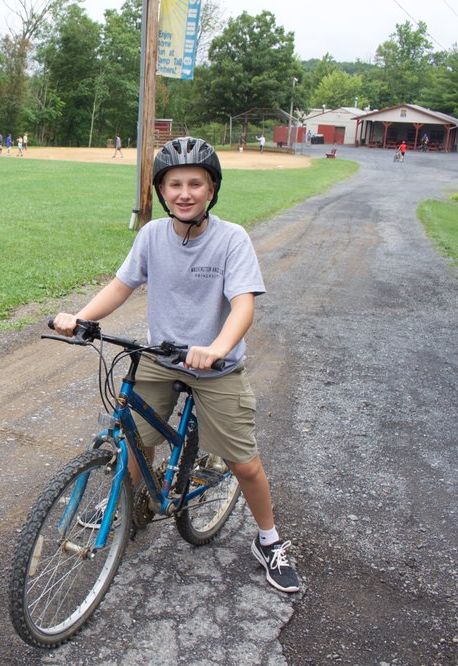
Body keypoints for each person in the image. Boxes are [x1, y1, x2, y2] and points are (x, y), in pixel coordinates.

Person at [52, 137, 301, 594]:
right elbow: (121, 285)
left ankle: (269, 540)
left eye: (195, 184)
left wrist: (219, 346)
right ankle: (132, 507)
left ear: (212, 189)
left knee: (242, 463)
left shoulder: (231, 239)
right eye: (174, 184)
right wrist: (82, 318)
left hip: (215, 366)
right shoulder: (152, 236)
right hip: (161, 360)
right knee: (134, 441)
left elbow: (243, 306)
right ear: (161, 191)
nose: (184, 193)